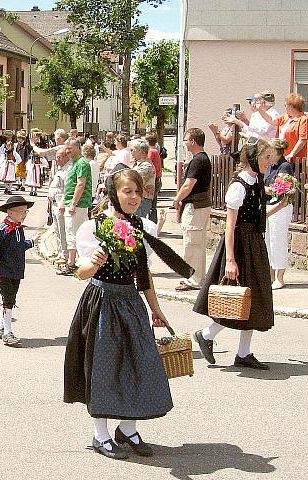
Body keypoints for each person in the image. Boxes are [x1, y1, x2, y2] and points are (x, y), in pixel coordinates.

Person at [63, 167, 193, 460]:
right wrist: (95, 261)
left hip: (130, 302)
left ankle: (128, 428)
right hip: (102, 301)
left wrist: (156, 310)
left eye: (138, 191)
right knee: (104, 368)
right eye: (127, 191)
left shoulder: (143, 226)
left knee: (140, 363)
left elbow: (143, 273)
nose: (134, 197)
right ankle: (101, 434)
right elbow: (81, 274)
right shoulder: (94, 227)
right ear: (113, 193)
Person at [193, 137, 286, 370]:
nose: (269, 162)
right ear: (253, 159)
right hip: (241, 248)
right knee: (237, 298)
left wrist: (281, 205)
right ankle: (206, 334)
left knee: (252, 298)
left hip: (254, 244)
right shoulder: (238, 186)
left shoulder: (256, 182)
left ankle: (243, 352)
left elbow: (257, 217)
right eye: (265, 158)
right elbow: (230, 226)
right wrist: (231, 260)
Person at [0, 195, 41, 347]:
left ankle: (1, 326)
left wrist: (31, 243)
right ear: (10, 212)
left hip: (16, 270)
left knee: (9, 298)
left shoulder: (18, 228)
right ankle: (7, 332)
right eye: (21, 211)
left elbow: (18, 246)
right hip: (3, 270)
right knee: (9, 299)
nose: (24, 214)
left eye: (25, 211)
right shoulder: (3, 229)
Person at [172, 128, 212, 291]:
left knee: (192, 242)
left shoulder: (198, 160)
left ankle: (194, 279)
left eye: (186, 140)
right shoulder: (203, 159)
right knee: (197, 243)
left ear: (193, 142)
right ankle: (197, 277)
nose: (185, 143)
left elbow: (189, 184)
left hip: (195, 206)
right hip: (199, 205)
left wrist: (177, 199)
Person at [58, 138, 92, 276]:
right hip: (73, 203)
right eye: (66, 149)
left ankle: (71, 263)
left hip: (78, 204)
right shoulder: (75, 163)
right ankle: (77, 261)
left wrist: (73, 203)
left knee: (72, 232)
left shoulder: (82, 163)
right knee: (75, 232)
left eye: (70, 149)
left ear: (78, 148)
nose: (67, 151)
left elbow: (80, 184)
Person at [264, 138, 294, 289]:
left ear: (276, 151)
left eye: (269, 151)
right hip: (270, 206)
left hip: (280, 208)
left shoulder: (285, 166)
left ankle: (279, 277)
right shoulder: (272, 166)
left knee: (278, 241)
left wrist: (265, 190)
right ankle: (270, 275)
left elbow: (280, 190)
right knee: (269, 241)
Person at [257, 92, 307, 162]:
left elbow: (302, 140)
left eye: (285, 105)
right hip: (281, 156)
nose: (285, 107)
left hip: (294, 159)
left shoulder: (303, 119)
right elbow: (271, 120)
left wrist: (292, 154)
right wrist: (260, 110)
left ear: (291, 106)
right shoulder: (285, 116)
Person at [48, 146, 73, 264]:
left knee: (63, 230)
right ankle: (59, 252)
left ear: (66, 157)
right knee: (57, 229)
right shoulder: (60, 168)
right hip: (54, 202)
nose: (56, 159)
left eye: (58, 157)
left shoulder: (68, 169)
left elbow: (68, 188)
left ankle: (65, 255)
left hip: (61, 203)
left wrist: (62, 203)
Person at [130, 139, 156, 218]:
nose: (131, 152)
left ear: (141, 151)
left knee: (138, 224)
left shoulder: (146, 166)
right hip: (137, 199)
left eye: (132, 150)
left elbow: (133, 180)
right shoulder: (137, 164)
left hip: (142, 200)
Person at [146, 133, 162, 223]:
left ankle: (152, 223)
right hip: (157, 178)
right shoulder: (155, 150)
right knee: (153, 203)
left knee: (151, 204)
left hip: (154, 180)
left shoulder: (151, 152)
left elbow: (147, 162)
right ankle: (153, 222)